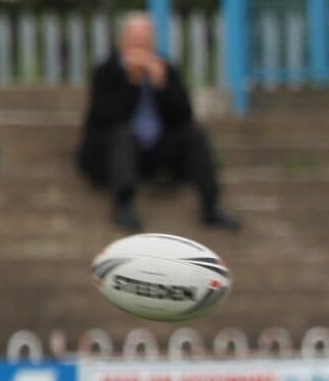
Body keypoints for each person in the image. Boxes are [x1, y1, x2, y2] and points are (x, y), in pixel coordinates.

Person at [77, 12, 240, 233]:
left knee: (195, 134)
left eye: (146, 43)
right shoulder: (106, 71)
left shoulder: (166, 70)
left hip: (155, 152)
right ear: (124, 42)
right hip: (113, 155)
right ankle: (123, 205)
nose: (142, 50)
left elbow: (184, 115)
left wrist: (162, 86)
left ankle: (210, 204)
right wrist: (132, 84)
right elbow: (102, 119)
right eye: (137, 43)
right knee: (122, 135)